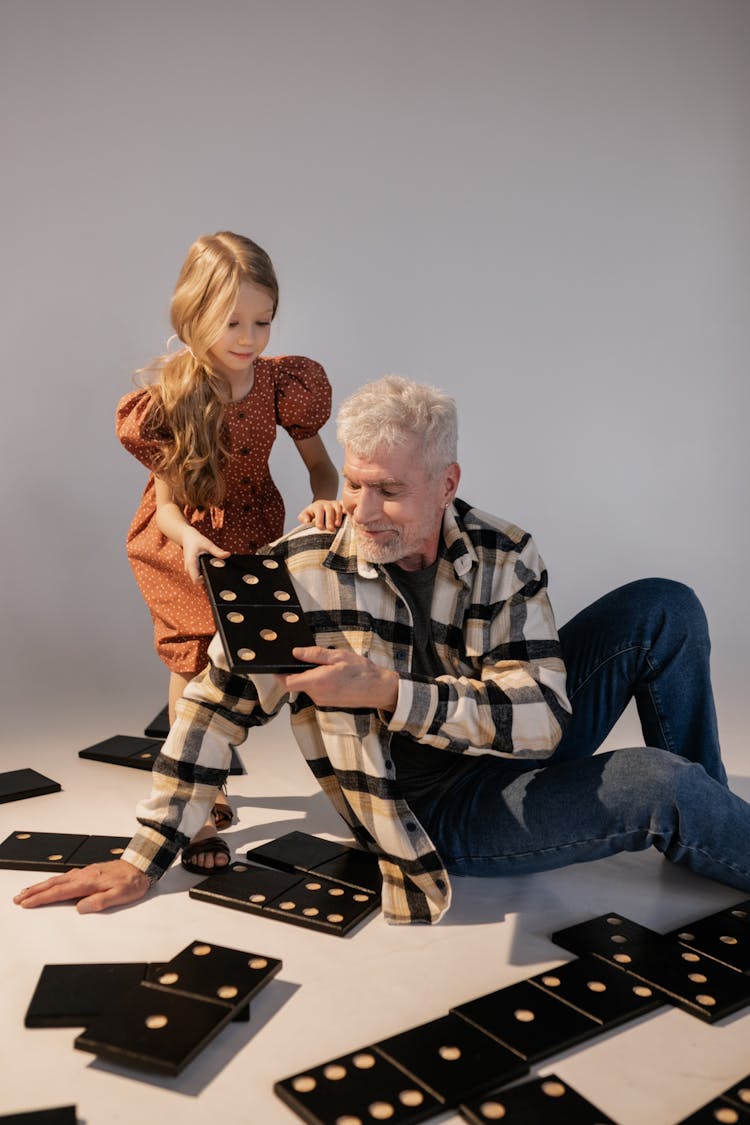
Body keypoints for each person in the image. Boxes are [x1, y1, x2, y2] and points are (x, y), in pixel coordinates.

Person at [15, 376, 750, 923]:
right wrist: (143, 858)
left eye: (390, 491)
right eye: (356, 481)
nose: (362, 511)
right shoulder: (300, 570)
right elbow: (212, 711)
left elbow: (544, 720)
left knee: (665, 604)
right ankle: (703, 811)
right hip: (438, 810)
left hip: (510, 743)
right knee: (657, 783)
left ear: (446, 483)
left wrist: (389, 691)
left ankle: (716, 822)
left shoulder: (504, 551)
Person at [114, 231, 341, 873]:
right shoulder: (171, 398)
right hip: (185, 541)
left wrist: (326, 502)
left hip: (257, 533)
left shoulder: (281, 384)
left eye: (261, 321)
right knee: (192, 656)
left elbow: (323, 468)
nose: (247, 338)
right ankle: (201, 799)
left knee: (247, 650)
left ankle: (223, 770)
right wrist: (189, 540)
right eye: (230, 322)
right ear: (194, 316)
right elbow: (163, 506)